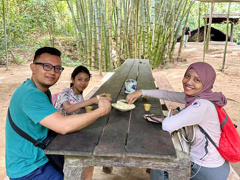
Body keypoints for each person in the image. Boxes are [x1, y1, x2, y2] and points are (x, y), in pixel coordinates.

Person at [5, 47, 112, 180]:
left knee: (84, 162)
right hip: (28, 167)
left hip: (42, 154)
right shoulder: (30, 95)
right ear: (33, 67)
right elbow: (63, 125)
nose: (52, 72)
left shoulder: (42, 91)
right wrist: (101, 111)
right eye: (47, 66)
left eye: (57, 68)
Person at [126, 62, 230, 180]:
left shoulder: (201, 104)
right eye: (187, 76)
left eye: (197, 80)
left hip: (205, 169)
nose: (189, 82)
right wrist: (141, 92)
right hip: (214, 164)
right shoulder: (201, 97)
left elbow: (167, 125)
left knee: (158, 160)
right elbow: (167, 94)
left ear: (206, 83)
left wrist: (173, 117)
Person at [54, 65, 105, 179]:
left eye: (86, 80)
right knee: (85, 156)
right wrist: (91, 101)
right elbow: (68, 109)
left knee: (90, 158)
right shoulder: (65, 93)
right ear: (72, 79)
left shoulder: (79, 95)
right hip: (60, 133)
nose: (83, 83)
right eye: (79, 79)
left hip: (73, 130)